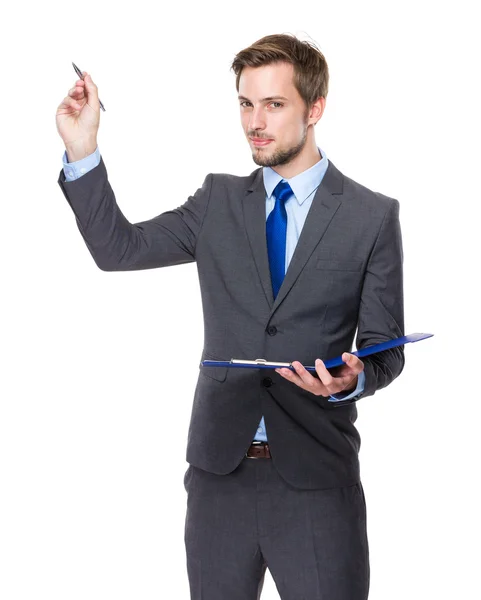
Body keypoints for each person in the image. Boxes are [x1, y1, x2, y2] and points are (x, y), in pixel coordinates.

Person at [56, 33, 404, 600]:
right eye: (246, 103)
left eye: (274, 104)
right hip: (221, 479)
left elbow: (386, 347)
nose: (254, 122)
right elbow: (117, 250)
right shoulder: (216, 201)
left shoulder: (370, 216)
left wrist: (352, 379)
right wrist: (83, 148)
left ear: (314, 108)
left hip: (317, 481)